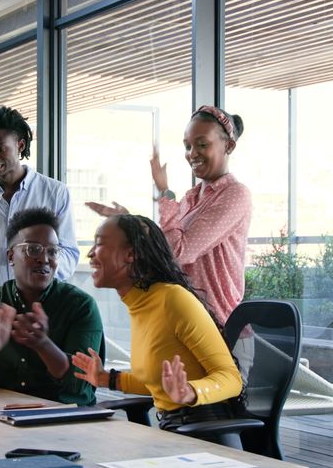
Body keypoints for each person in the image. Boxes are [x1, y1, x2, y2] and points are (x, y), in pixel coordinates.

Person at [70, 213, 258, 468]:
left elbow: (230, 378)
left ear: (131, 255)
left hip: (208, 445)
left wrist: (192, 392)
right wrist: (107, 379)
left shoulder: (173, 300)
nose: (90, 253)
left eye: (100, 244)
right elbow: (156, 381)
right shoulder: (140, 304)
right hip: (173, 439)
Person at [86, 105, 251, 326]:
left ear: (228, 146)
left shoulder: (235, 194)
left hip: (220, 326)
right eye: (188, 146)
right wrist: (128, 221)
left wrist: (165, 192)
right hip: (187, 319)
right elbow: (164, 244)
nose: (192, 153)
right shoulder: (192, 197)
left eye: (202, 144)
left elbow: (177, 252)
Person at [0, 207, 102, 406]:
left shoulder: (81, 306)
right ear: (10, 257)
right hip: (3, 415)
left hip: (65, 418)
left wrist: (43, 344)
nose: (44, 259)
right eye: (32, 249)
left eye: (52, 251)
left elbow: (81, 381)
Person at [0, 106, 80, 304]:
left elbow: (69, 256)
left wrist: (39, 261)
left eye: (0, 148)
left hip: (40, 314)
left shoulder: (55, 193)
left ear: (20, 146)